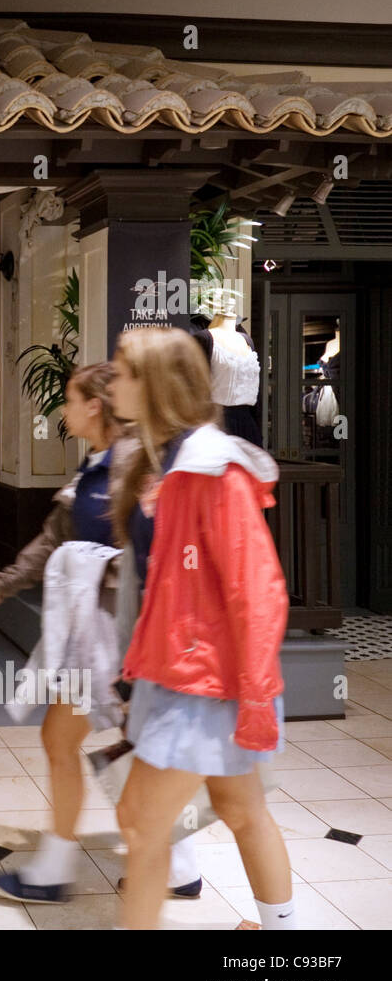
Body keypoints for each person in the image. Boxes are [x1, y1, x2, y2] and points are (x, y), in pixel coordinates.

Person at [0, 362, 201, 903]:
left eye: (71, 400)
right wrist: (5, 583)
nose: (64, 410)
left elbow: (152, 550)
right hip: (92, 634)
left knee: (113, 743)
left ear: (94, 405)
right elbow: (55, 537)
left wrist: (103, 569)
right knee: (113, 742)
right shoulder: (95, 464)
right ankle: (175, 864)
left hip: (126, 635)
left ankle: (59, 871)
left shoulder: (136, 462)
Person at [109, 326, 294, 931]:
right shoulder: (173, 462)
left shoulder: (212, 469)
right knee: (239, 810)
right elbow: (168, 587)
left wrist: (256, 694)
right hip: (186, 674)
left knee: (140, 818)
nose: (113, 381)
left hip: (208, 683)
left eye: (123, 370)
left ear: (156, 385)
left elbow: (257, 587)